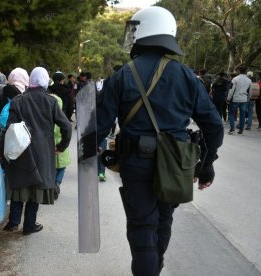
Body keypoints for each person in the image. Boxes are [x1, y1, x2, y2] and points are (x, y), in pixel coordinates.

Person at [96, 7, 224, 275]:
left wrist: (92, 156)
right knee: (164, 222)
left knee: (142, 228)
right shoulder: (187, 76)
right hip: (176, 162)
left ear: (144, 30)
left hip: (135, 162)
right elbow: (213, 125)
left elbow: (99, 127)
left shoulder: (121, 76)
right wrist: (206, 164)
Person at [0, 67, 71, 235]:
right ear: (44, 81)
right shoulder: (51, 102)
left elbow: (7, 129)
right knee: (36, 189)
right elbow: (66, 127)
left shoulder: (18, 100)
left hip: (20, 150)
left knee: (19, 186)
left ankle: (13, 223)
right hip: (43, 152)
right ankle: (29, 226)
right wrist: (61, 147)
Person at [227, 64, 252, 134]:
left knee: (231, 114)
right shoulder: (249, 80)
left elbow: (231, 90)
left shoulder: (235, 79)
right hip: (244, 99)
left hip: (235, 99)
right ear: (246, 71)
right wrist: (248, 99)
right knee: (242, 115)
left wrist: (228, 98)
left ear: (239, 71)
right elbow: (250, 91)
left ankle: (232, 129)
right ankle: (241, 130)